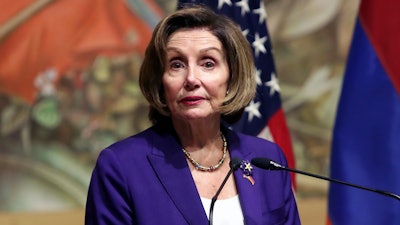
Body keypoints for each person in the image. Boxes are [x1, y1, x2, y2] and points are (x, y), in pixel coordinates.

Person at [85, 4, 301, 225]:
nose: (191, 79)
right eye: (176, 65)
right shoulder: (121, 166)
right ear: (160, 81)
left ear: (231, 77)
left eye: (208, 63)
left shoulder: (268, 160)